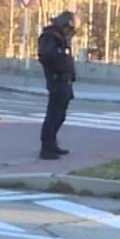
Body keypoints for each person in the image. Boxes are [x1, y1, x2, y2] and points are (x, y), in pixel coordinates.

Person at [37, 11, 77, 160]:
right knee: (53, 114)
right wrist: (60, 53)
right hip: (56, 79)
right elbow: (45, 55)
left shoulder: (61, 37)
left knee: (60, 115)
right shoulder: (51, 36)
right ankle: (46, 147)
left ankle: (53, 143)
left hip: (65, 79)